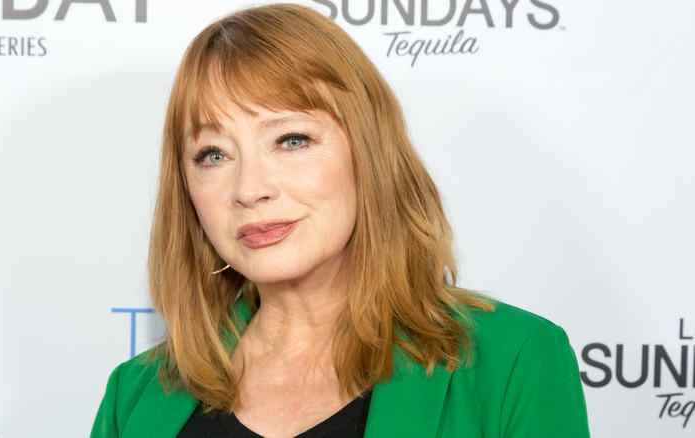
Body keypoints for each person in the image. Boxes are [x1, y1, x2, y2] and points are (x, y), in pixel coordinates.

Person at [91, 3, 590, 437]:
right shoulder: (133, 394)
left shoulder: (514, 361)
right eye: (213, 154)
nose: (248, 189)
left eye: (291, 140)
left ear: (366, 153)